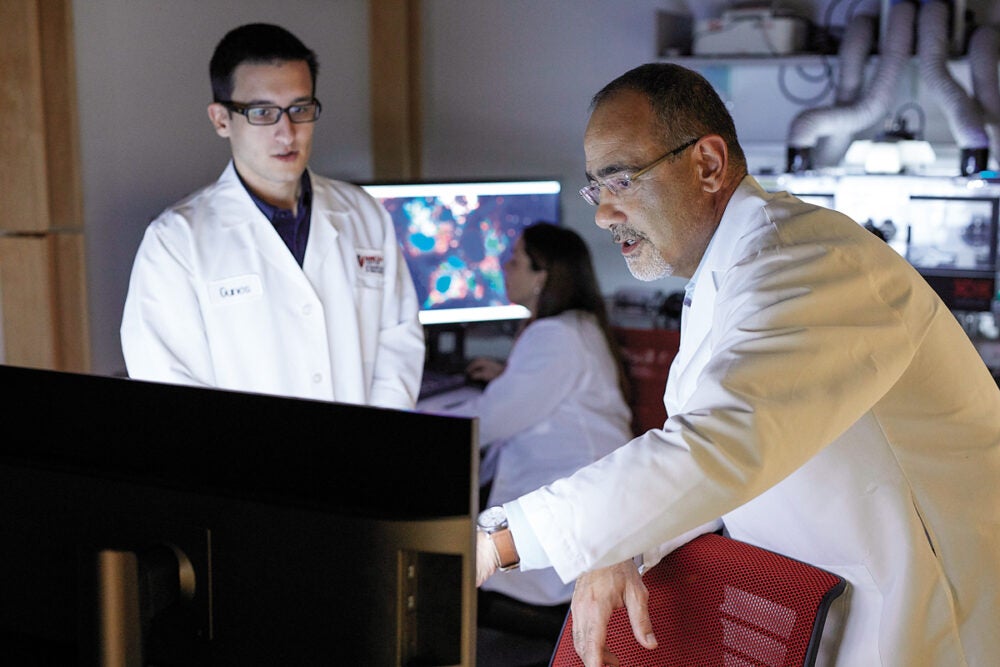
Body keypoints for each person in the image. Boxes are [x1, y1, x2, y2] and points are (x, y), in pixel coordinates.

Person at [475, 63, 1000, 667]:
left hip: (936, 619)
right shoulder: (726, 274)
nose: (602, 213)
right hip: (831, 606)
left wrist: (503, 539)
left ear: (707, 163)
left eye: (621, 179)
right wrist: (621, 539)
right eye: (597, 188)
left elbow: (719, 445)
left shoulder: (807, 261)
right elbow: (708, 460)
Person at [120, 23, 423, 410]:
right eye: (262, 112)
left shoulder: (363, 214)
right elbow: (169, 387)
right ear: (221, 120)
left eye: (300, 109)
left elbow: (398, 344)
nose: (287, 132)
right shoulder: (175, 242)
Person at [443, 223, 634, 646]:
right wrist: (508, 376)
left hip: (567, 529)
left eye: (514, 261)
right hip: (587, 503)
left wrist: (423, 414)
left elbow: (491, 421)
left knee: (448, 579)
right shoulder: (575, 326)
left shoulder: (555, 337)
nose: (503, 267)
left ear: (542, 275)